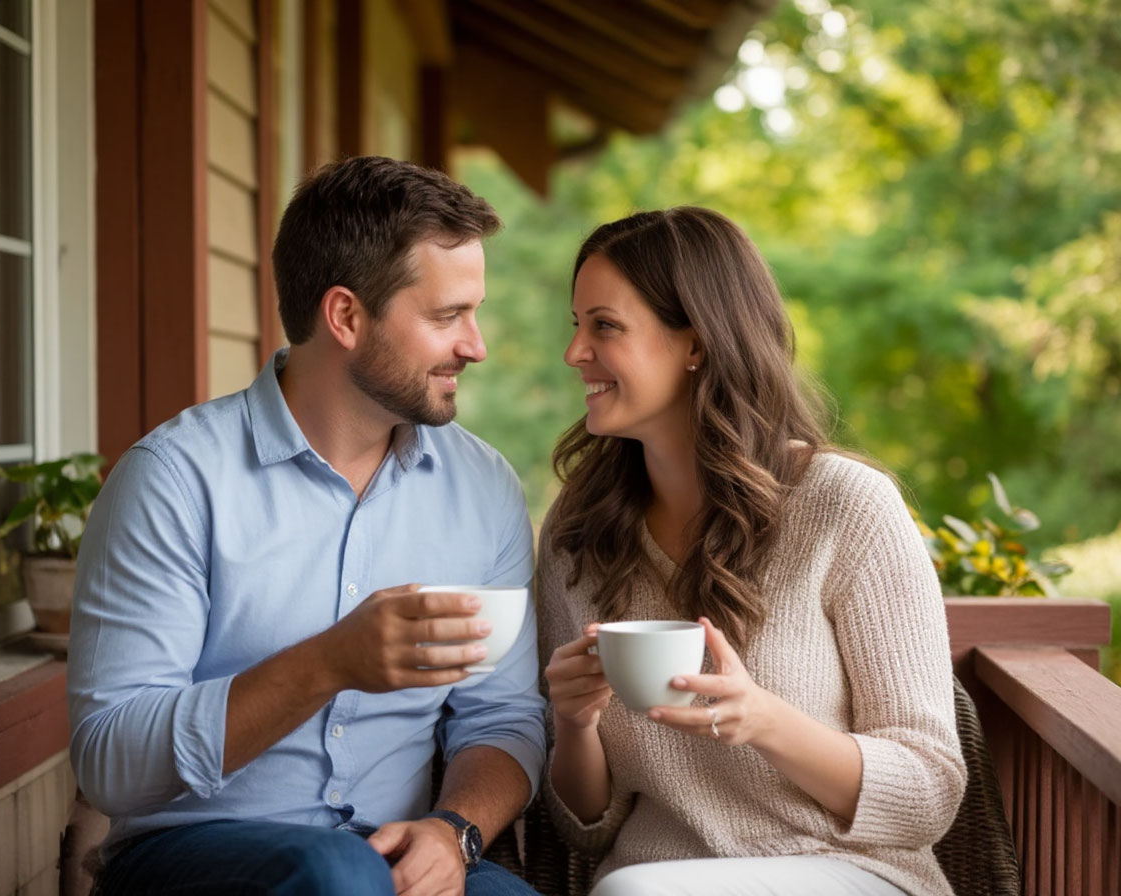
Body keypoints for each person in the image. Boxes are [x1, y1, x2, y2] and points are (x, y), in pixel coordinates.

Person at [68, 156, 546, 896]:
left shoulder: (483, 488)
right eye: (447, 316)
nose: (475, 345)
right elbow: (109, 764)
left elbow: (503, 718)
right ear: (347, 316)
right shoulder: (173, 479)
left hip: (396, 854)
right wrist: (326, 664)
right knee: (335, 872)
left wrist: (454, 830)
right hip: (187, 854)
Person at [537, 207, 965, 896]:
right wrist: (574, 722)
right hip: (655, 878)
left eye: (604, 326)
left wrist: (766, 722)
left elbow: (929, 790)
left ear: (696, 343)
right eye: (577, 325)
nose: (575, 352)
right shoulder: (576, 533)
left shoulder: (844, 506)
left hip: (854, 873)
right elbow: (587, 825)